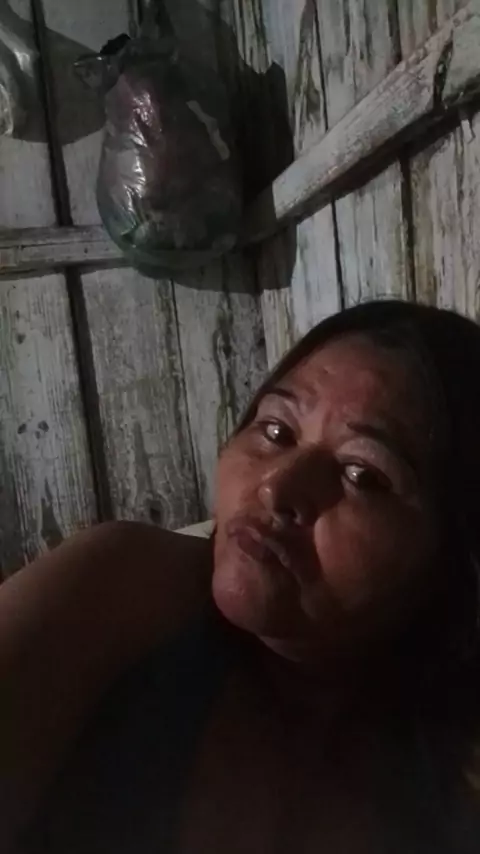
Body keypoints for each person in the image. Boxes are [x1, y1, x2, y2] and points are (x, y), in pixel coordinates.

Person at [3, 299, 480, 854]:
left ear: (453, 554)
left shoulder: (445, 785)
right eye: (275, 430)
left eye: (361, 474)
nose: (276, 487)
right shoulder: (125, 590)